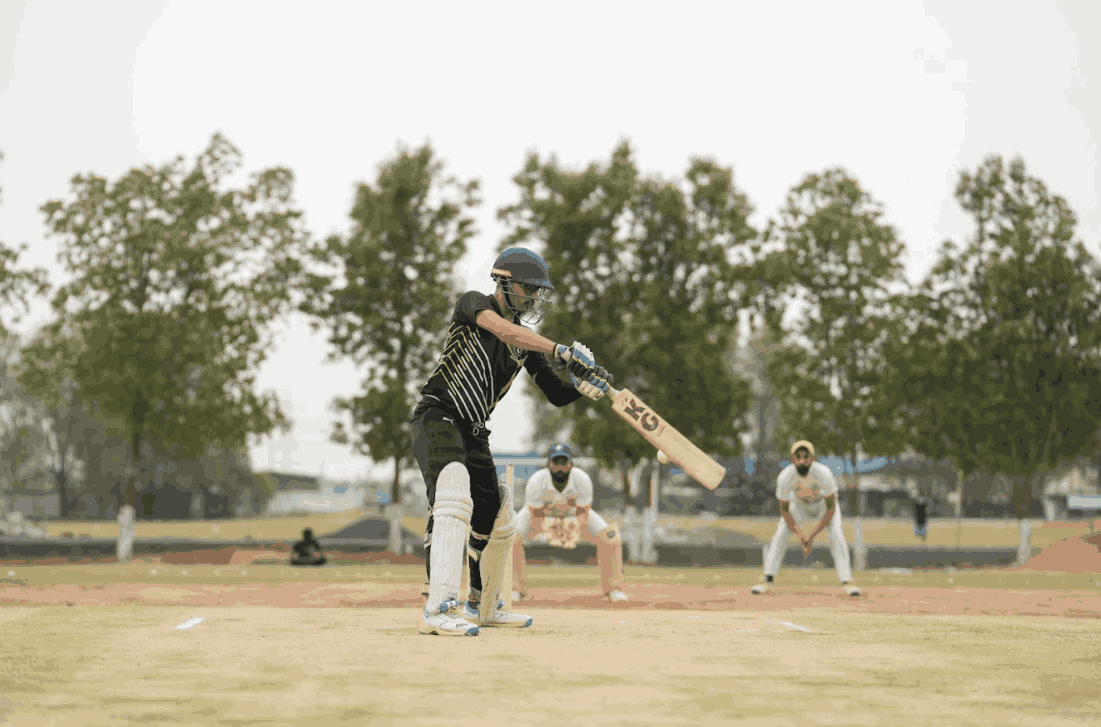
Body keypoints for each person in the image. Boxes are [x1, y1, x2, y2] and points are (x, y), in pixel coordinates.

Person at [410, 247, 614, 636]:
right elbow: (503, 330)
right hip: (438, 416)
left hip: (472, 430)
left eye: (539, 292)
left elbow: (555, 392)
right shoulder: (473, 304)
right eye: (529, 289)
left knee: (499, 519)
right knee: (453, 495)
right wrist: (559, 350)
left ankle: (485, 606)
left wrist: (584, 386)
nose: (535, 298)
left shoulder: (527, 342)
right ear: (504, 282)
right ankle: (437, 608)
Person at [511, 443, 628, 603]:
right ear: (548, 464)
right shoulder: (537, 481)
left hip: (574, 518)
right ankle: (514, 590)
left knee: (610, 536)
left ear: (570, 464)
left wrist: (572, 531)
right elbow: (535, 517)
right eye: (556, 462)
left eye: (563, 462)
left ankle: (614, 590)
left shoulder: (581, 479)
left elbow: (583, 514)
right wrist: (552, 533)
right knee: (510, 538)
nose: (560, 467)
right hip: (543, 518)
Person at [751, 440, 860, 597]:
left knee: (836, 534)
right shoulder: (785, 476)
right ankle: (767, 578)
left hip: (823, 507)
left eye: (805, 456)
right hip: (799, 506)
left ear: (812, 458)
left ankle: (847, 581)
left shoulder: (824, 473)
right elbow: (785, 510)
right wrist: (801, 535)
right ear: (792, 458)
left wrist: (811, 535)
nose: (802, 461)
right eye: (798, 457)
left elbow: (831, 509)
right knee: (781, 533)